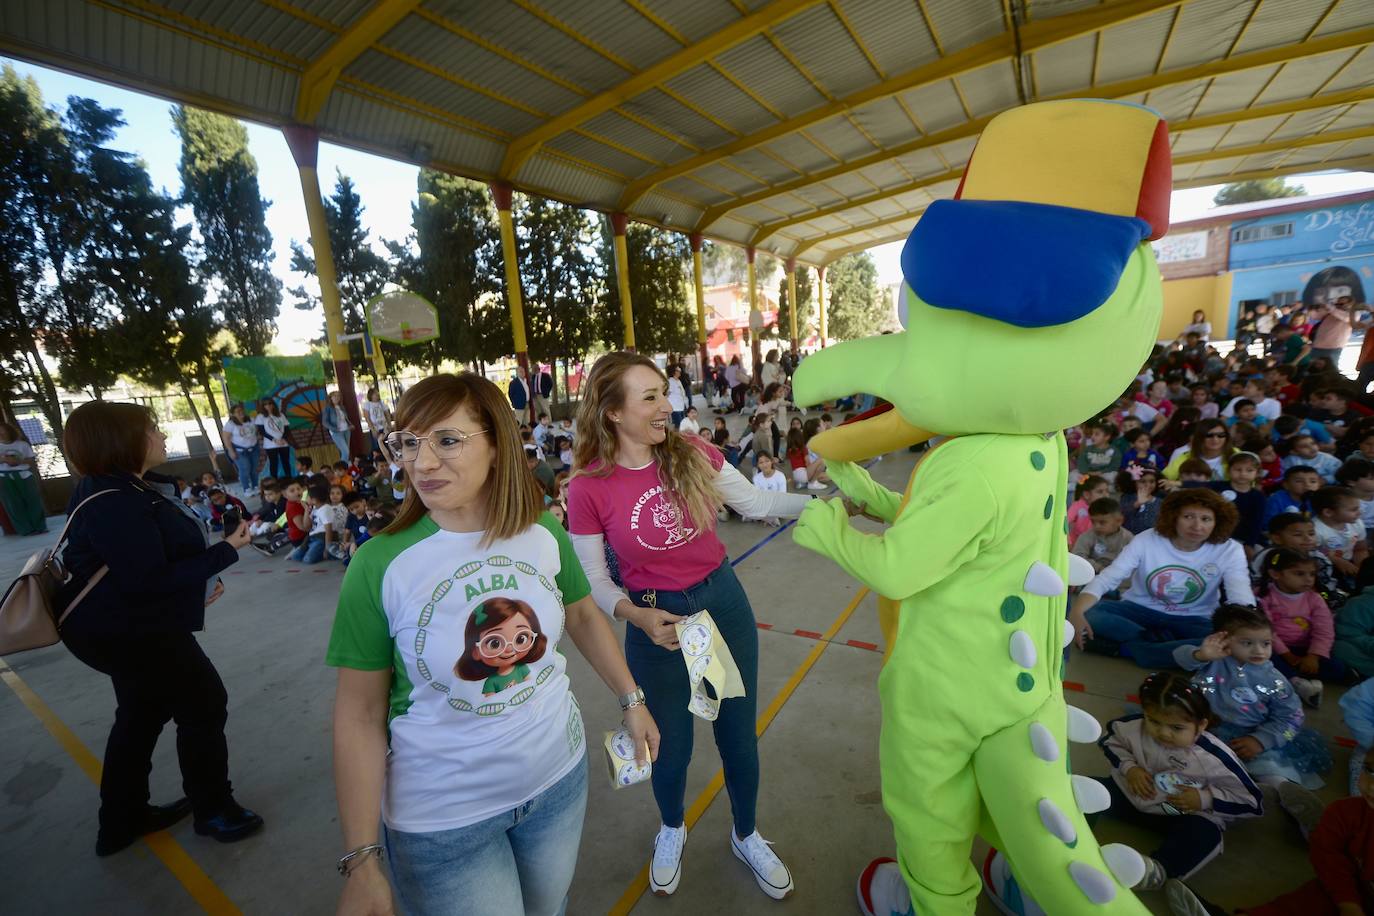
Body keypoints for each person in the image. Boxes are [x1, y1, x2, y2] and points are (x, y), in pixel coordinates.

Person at [327, 372, 657, 916]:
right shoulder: (379, 566)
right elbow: (358, 715)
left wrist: (631, 699)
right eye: (409, 443)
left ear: (499, 446)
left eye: (447, 440)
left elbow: (580, 614)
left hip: (558, 782)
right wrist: (362, 859)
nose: (422, 462)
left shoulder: (541, 531)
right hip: (443, 821)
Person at [566, 352, 810, 900]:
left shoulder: (693, 451)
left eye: (665, 393)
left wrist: (830, 508)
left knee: (736, 736)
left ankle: (746, 833)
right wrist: (636, 615)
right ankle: (671, 829)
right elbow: (593, 580)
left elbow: (754, 501)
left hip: (718, 607)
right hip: (655, 622)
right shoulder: (588, 487)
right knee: (668, 746)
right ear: (611, 412)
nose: (666, 406)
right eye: (649, 396)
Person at [56, 401, 262, 857]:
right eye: (151, 427)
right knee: (204, 705)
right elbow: (147, 580)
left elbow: (145, 567)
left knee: (140, 713)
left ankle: (121, 819)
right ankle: (213, 809)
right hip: (132, 632)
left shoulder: (118, 487)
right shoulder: (116, 501)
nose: (160, 433)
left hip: (120, 624)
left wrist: (200, 580)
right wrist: (227, 550)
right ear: (123, 440)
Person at [1094, 671, 1261, 892]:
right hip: (1130, 795)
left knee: (1205, 834)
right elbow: (1110, 741)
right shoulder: (1131, 726)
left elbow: (1252, 801)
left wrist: (1204, 799)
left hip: (1177, 814)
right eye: (1153, 721)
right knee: (1084, 790)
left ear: (1201, 725)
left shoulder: (1214, 758)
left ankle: (1156, 871)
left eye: (1176, 728)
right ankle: (1068, 828)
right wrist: (1130, 768)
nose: (1163, 733)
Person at [1071, 488, 1252, 668]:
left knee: (1227, 641)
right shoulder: (1147, 539)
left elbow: (1240, 594)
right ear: (1174, 517)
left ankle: (1129, 649)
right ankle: (1180, 652)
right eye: (1188, 517)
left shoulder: (1230, 549)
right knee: (1089, 613)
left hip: (1195, 619)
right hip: (1138, 611)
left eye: (1206, 519)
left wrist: (1243, 629)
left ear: (1217, 522)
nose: (1197, 526)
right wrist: (1077, 612)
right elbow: (1108, 578)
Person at [1175, 604, 1331, 788]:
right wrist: (1200, 654)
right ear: (1222, 640)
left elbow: (1292, 718)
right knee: (1178, 757)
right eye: (1247, 643)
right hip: (1204, 728)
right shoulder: (1212, 661)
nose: (1259, 650)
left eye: (1266, 643)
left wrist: (1260, 741)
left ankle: (1281, 792)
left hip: (1250, 737)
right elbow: (1180, 656)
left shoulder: (1275, 680)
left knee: (1271, 769)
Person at [1257, 547, 1347, 709]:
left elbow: (1324, 629)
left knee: (1337, 669)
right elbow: (1266, 630)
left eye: (1311, 574)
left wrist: (1313, 656)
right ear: (1275, 574)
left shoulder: (1315, 598)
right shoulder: (1263, 596)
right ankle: (1298, 683)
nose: (1308, 580)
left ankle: (1297, 674)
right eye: (1299, 574)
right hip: (1274, 648)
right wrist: (1287, 655)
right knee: (1265, 660)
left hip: (1306, 649)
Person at [0, 422, 46, 534]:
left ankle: (39, 527)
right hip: (4, 477)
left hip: (24, 475)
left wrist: (17, 461)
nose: (1, 433)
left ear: (9, 431)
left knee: (33, 501)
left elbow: (31, 461)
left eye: (2, 430)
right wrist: (5, 460)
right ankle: (25, 529)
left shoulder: (22, 445)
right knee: (13, 504)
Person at [1071, 496, 1133, 573]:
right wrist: (1099, 568)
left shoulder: (1127, 538)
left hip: (1119, 577)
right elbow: (1078, 557)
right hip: (1093, 575)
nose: (1097, 526)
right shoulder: (1088, 536)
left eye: (1102, 522)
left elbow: (1132, 561)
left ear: (1119, 521)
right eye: (1093, 522)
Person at [1162, 418, 1233, 481]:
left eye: (1221, 435)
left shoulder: (1235, 455)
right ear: (1199, 437)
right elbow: (1164, 478)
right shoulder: (1186, 457)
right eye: (1209, 435)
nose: (1215, 439)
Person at [221, 403, 261, 496]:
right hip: (239, 450)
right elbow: (226, 438)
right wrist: (230, 451)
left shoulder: (251, 420)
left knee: (254, 468)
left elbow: (257, 431)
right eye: (237, 411)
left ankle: (255, 486)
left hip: (254, 448)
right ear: (232, 414)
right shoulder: (230, 424)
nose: (241, 412)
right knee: (244, 469)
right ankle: (246, 488)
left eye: (241, 410)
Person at [1066, 475, 1110, 548]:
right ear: (1086, 494)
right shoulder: (1078, 506)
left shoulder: (1106, 507)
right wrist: (1068, 540)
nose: (1106, 495)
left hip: (1097, 545)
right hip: (1077, 545)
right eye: (1100, 492)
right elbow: (1065, 521)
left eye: (1107, 491)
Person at [255, 398, 292, 481]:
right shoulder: (260, 416)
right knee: (273, 463)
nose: (268, 406)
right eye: (266, 404)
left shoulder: (280, 415)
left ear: (273, 404)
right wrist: (274, 440)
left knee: (286, 462)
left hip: (283, 443)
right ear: (263, 406)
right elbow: (262, 431)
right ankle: (274, 481)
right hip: (270, 445)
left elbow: (287, 429)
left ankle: (289, 480)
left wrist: (283, 439)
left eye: (270, 403)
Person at [748, 453, 788, 527]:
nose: (765, 465)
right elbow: (758, 496)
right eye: (761, 462)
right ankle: (768, 517)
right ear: (757, 465)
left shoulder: (780, 476)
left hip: (777, 503)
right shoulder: (756, 478)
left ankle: (764, 517)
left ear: (772, 461)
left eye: (767, 461)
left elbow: (783, 496)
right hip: (764, 504)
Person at [323, 390, 354, 462]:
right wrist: (333, 428)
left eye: (338, 396)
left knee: (346, 451)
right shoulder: (328, 408)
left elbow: (345, 419)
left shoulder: (342, 407)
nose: (337, 398)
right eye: (335, 396)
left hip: (346, 430)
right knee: (346, 451)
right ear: (330, 398)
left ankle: (345, 467)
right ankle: (342, 468)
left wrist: (350, 425)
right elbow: (325, 422)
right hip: (336, 432)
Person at [362, 386, 391, 453]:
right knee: (377, 446)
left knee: (386, 444)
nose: (377, 395)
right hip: (375, 427)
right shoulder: (367, 404)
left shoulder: (381, 403)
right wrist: (372, 429)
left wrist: (389, 425)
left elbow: (387, 414)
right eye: (375, 393)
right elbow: (367, 417)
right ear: (371, 395)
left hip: (383, 426)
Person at [666, 364, 688, 429]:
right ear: (673, 372)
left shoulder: (678, 381)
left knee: (680, 426)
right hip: (675, 408)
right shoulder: (670, 381)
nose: (680, 371)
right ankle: (676, 438)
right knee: (679, 426)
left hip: (681, 407)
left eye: (680, 370)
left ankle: (677, 438)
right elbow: (667, 395)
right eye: (678, 370)